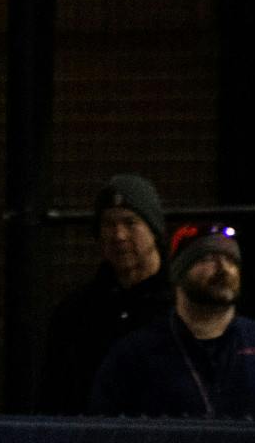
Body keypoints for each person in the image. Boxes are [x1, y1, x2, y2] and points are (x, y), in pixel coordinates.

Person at [90, 222, 255, 418]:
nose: (223, 268)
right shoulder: (135, 355)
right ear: (179, 272)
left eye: (231, 260)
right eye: (206, 259)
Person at [35, 173, 171, 413]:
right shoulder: (77, 312)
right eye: (109, 224)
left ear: (154, 230)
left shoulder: (182, 308)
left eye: (130, 223)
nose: (119, 235)